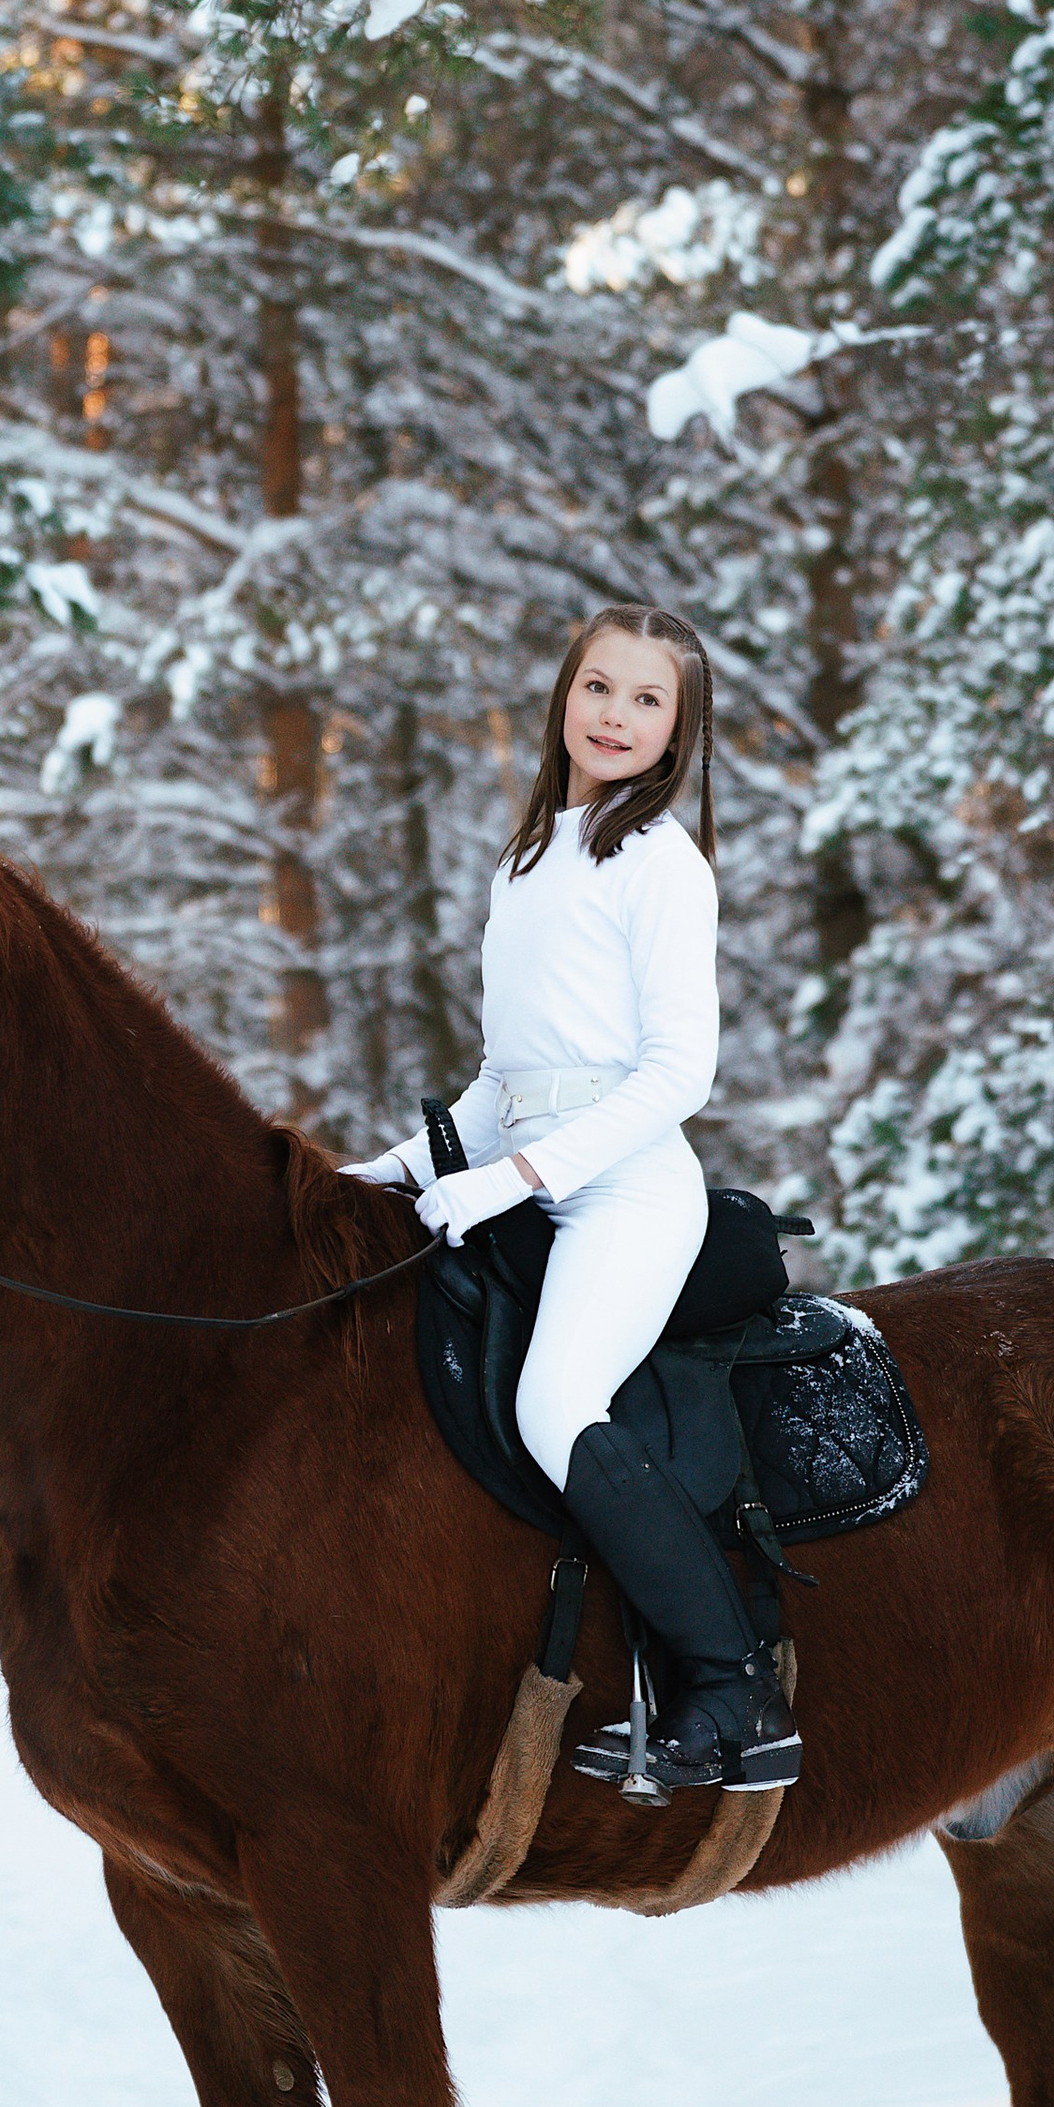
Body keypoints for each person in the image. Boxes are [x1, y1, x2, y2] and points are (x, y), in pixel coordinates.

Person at [347, 605, 799, 1798]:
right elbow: (503, 1085)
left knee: (555, 1404)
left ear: (678, 731)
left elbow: (679, 1074)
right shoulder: (527, 858)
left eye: (647, 700)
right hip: (532, 1175)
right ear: (564, 696)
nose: (614, 715)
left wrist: (519, 1177)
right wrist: (385, 1172)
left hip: (626, 1192)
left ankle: (734, 1689)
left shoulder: (661, 864)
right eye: (598, 687)